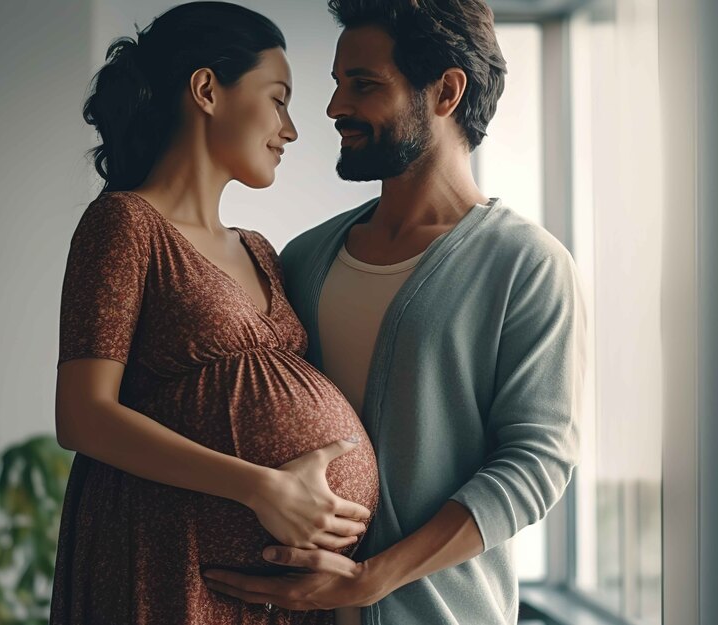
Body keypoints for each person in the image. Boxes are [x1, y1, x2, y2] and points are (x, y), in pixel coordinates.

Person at [201, 2, 585, 624]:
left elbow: (535, 465)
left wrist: (368, 581)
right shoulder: (304, 257)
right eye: (336, 84)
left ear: (447, 91)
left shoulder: (526, 264)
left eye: (364, 85)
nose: (333, 109)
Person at [48, 3, 379, 624]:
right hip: (166, 564)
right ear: (206, 90)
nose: (291, 129)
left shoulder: (259, 250)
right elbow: (83, 416)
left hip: (277, 595)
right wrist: (262, 488)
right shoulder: (125, 224)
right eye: (278, 99)